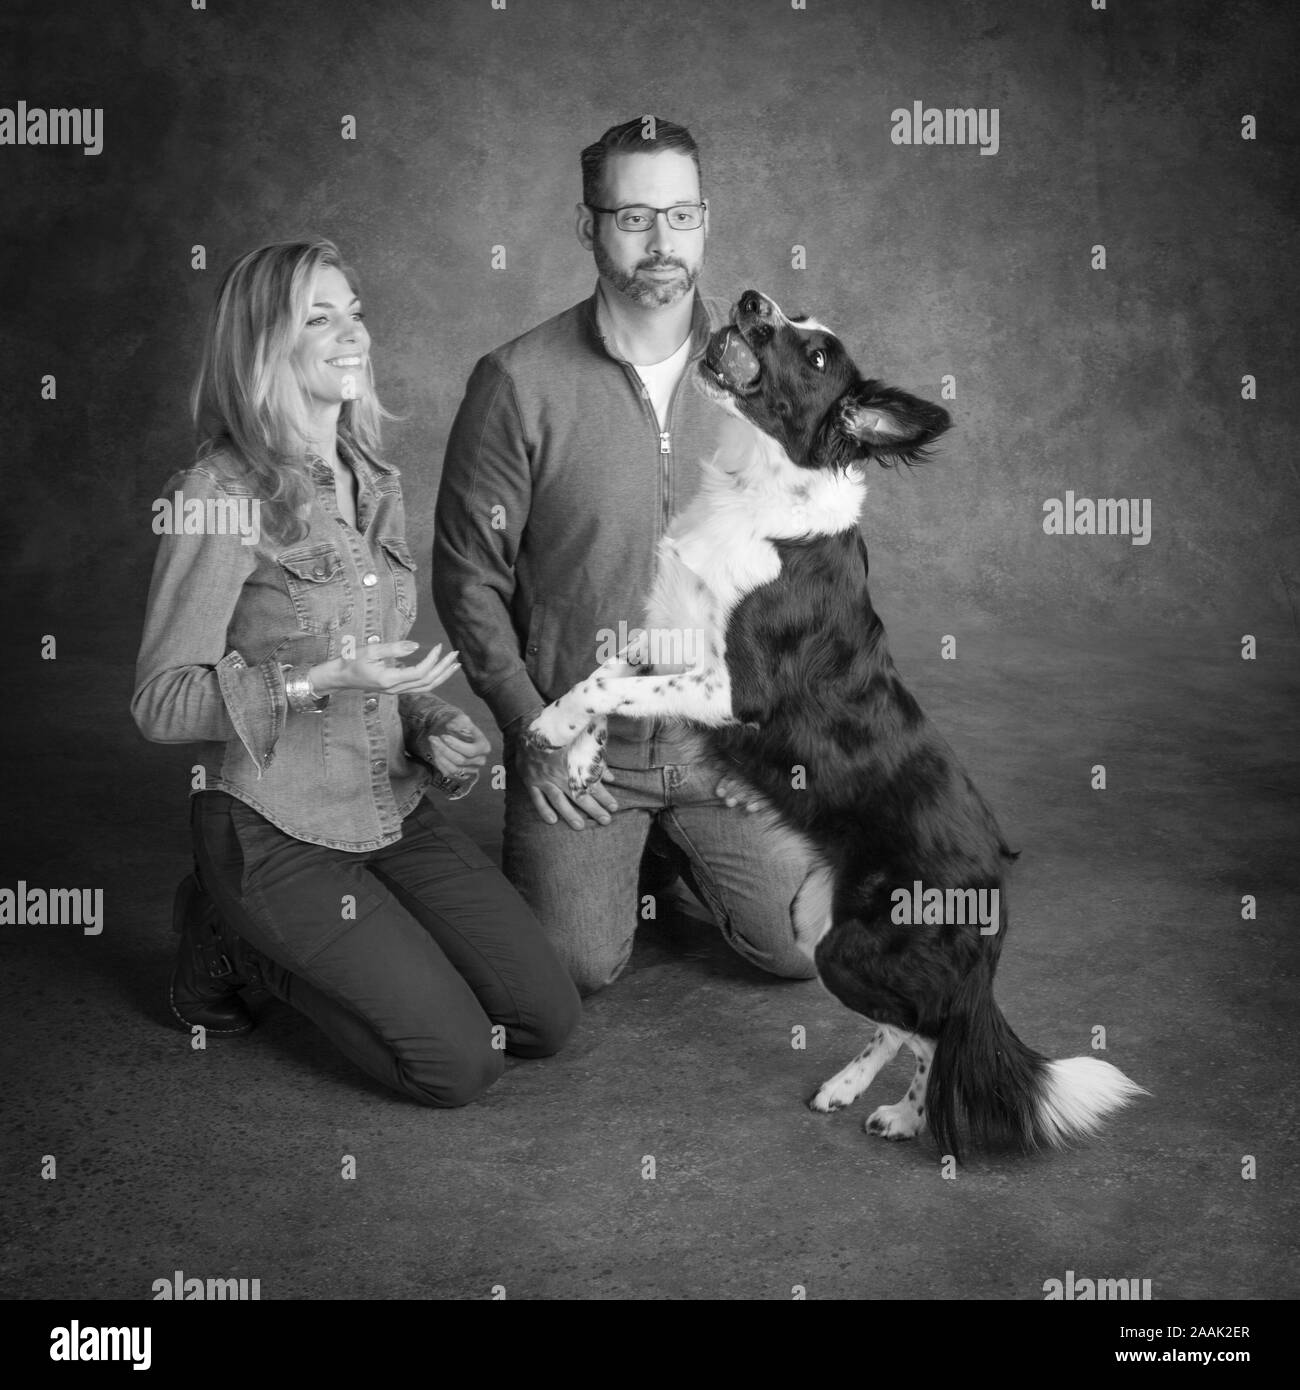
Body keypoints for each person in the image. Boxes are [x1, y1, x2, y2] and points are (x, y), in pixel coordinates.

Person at [132, 238, 579, 1106]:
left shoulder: (373, 478)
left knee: (543, 1020)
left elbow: (375, 657)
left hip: (386, 802)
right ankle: (230, 939)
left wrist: (428, 724)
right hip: (271, 827)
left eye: (356, 311)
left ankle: (351, 938)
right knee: (455, 1066)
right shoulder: (218, 494)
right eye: (318, 317)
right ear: (263, 346)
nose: (352, 334)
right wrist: (312, 682)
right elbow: (158, 702)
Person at [434, 117, 820, 995]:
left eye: (680, 216)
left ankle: (677, 855)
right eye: (634, 217)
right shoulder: (518, 382)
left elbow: (806, 566)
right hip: (588, 749)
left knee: (799, 947)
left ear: (707, 220)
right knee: (574, 967)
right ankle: (626, 856)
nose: (661, 242)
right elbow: (468, 580)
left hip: (722, 743)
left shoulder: (771, 374)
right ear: (589, 225)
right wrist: (533, 729)